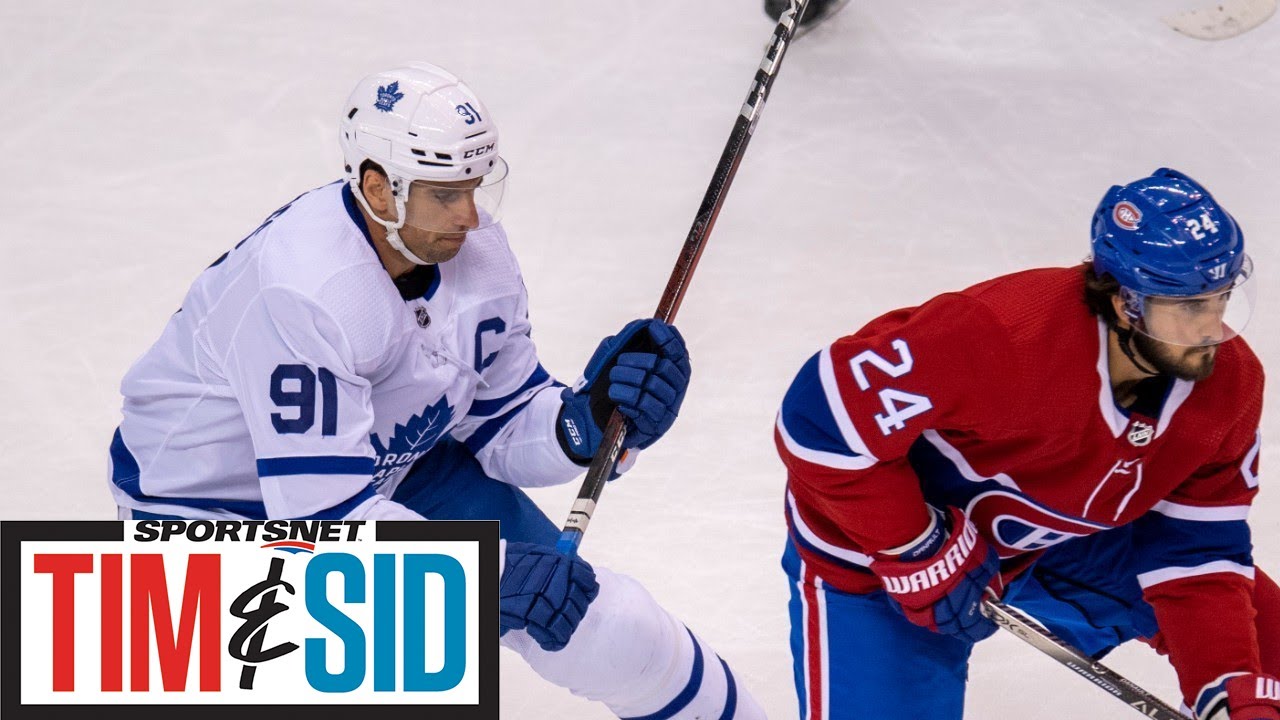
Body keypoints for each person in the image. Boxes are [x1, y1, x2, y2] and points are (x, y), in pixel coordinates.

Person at [109, 62, 763, 720]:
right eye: (445, 194)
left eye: (474, 188)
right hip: (216, 517)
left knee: (609, 624)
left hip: (384, 468)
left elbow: (502, 421)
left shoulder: (475, 255)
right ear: (378, 188)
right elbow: (322, 523)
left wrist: (588, 422)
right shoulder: (305, 289)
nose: (470, 216)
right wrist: (483, 575)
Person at [774, 167, 1280, 720]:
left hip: (1058, 538)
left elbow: (1196, 551)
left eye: (1221, 299)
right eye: (1188, 306)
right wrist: (912, 544)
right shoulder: (1003, 332)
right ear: (1124, 302)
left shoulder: (1231, 385)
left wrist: (1227, 683)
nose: (1212, 329)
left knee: (1266, 655)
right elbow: (820, 419)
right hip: (878, 556)